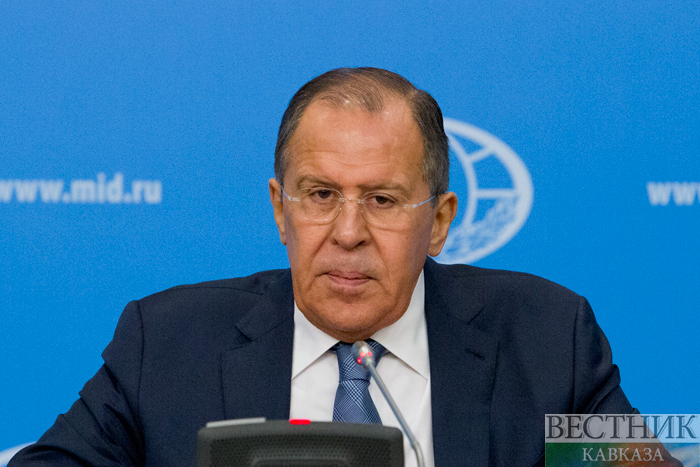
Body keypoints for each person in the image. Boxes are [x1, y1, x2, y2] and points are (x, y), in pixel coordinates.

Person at [10, 67, 637, 467]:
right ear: (280, 211)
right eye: (319, 195)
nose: (348, 233)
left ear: (440, 222)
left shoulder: (549, 341)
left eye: (382, 200)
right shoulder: (168, 343)